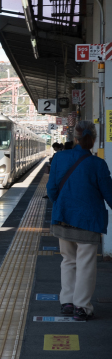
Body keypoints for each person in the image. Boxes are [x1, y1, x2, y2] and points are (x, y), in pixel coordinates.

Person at [47, 121, 112, 321]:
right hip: (88, 221)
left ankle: (66, 302)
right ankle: (81, 307)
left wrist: (63, 205)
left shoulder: (59, 158)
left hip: (63, 218)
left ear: (75, 138)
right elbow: (109, 194)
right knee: (85, 264)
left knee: (68, 260)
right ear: (92, 140)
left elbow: (51, 190)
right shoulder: (98, 164)